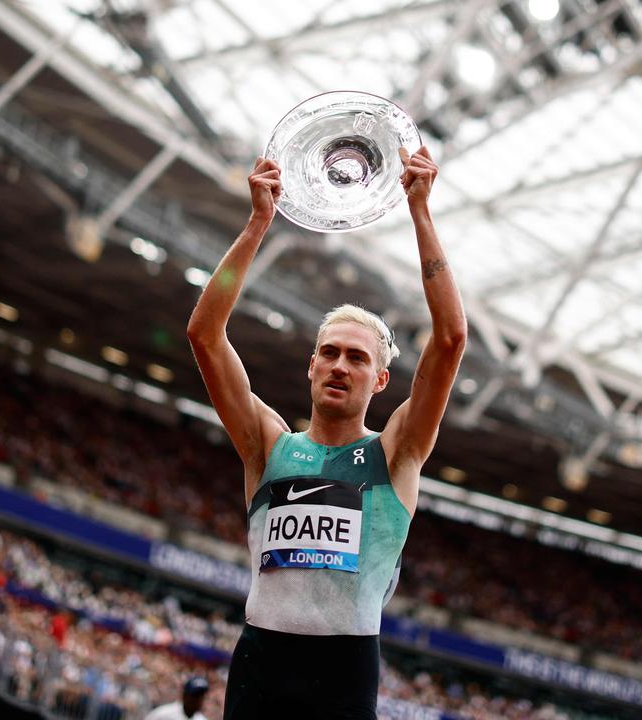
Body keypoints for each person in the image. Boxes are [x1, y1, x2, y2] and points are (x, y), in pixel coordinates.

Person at [187, 147, 466, 720]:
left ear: (381, 379)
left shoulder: (396, 452)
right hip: (260, 659)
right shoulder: (268, 445)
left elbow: (449, 340)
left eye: (357, 358)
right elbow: (204, 334)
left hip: (343, 672)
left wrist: (421, 214)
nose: (340, 365)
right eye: (329, 353)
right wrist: (258, 223)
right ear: (310, 366)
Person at [143, 676, 209, 720]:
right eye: (195, 696)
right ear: (185, 695)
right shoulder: (164, 714)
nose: (199, 701)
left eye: (202, 697)